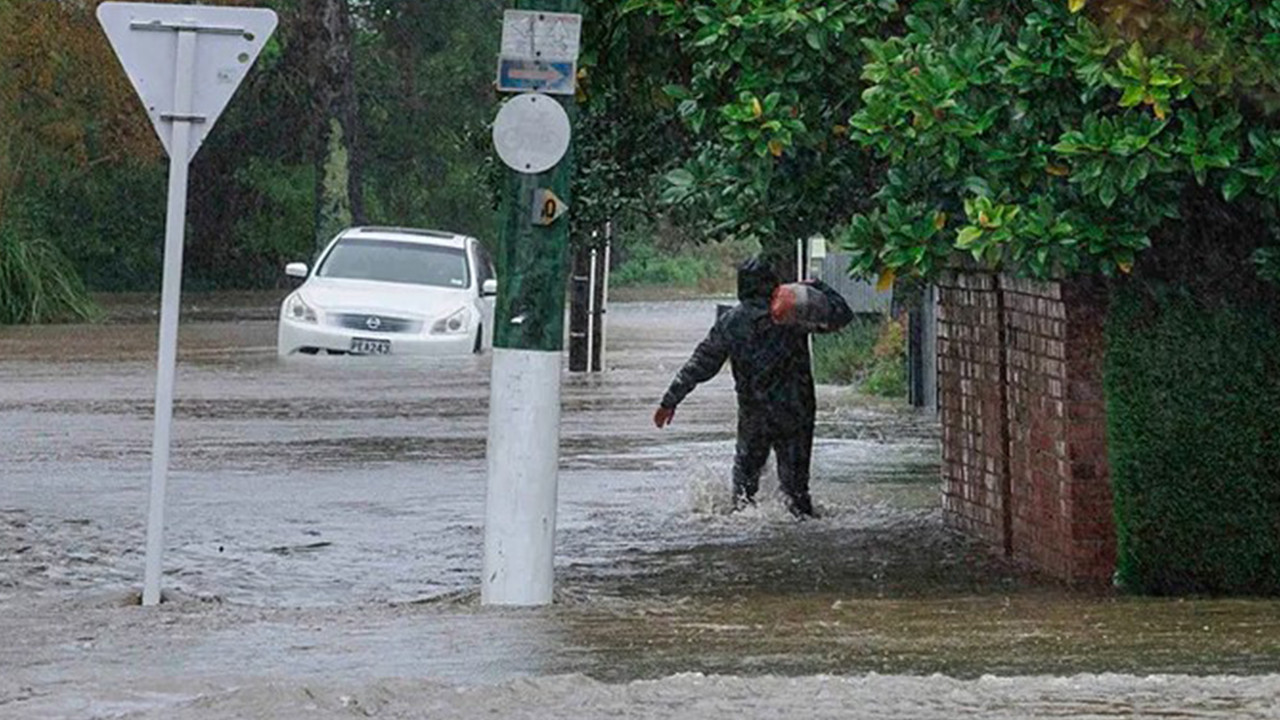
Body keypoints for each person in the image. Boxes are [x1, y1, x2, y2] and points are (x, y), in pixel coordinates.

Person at [653, 257, 854, 517]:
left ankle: (742, 529)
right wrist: (816, 285)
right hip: (796, 411)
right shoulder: (793, 314)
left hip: (754, 413)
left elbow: (701, 364)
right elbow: (843, 315)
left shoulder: (730, 322)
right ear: (773, 285)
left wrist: (670, 400)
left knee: (743, 492)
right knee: (796, 492)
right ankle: (803, 531)